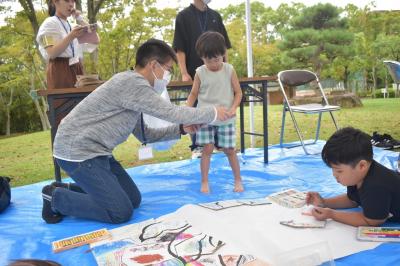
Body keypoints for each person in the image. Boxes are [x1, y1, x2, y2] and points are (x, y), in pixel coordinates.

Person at [41, 38, 232, 224]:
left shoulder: (133, 90)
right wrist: (213, 112)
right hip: (77, 152)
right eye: (167, 70)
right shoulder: (132, 83)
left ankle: (64, 188)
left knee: (132, 199)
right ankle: (55, 198)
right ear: (153, 65)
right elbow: (172, 112)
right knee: (120, 212)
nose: (167, 76)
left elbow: (145, 135)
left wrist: (181, 129)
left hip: (97, 153)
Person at [306, 127, 400, 226]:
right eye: (332, 169)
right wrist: (324, 202)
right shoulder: (357, 175)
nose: (334, 175)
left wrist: (332, 214)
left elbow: (372, 221)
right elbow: (353, 200)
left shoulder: (376, 186)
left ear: (362, 166)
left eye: (339, 171)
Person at [173, 0, 232, 158]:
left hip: (218, 74)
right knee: (196, 109)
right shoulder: (183, 16)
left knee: (220, 105)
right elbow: (180, 48)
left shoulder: (215, 16)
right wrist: (184, 72)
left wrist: (226, 68)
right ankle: (197, 146)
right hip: (195, 74)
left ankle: (220, 144)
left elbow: (224, 46)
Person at [186, 32, 243, 193]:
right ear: (202, 58)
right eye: (208, 60)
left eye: (217, 59)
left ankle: (238, 180)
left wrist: (233, 109)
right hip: (206, 118)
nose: (213, 63)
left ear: (223, 54)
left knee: (230, 150)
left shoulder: (229, 70)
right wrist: (186, 112)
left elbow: (238, 93)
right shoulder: (200, 72)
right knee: (207, 149)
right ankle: (204, 181)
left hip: (226, 118)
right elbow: (193, 95)